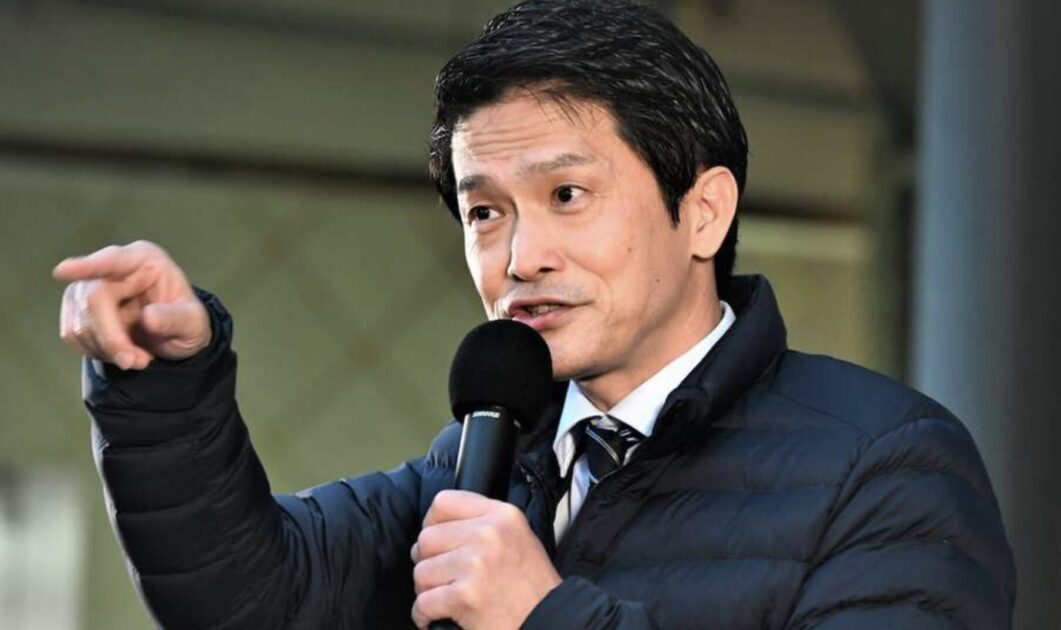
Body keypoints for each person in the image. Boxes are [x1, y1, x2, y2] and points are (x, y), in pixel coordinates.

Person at [53, 1, 1015, 628]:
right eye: (484, 212)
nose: (519, 258)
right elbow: (247, 600)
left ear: (703, 211)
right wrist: (162, 381)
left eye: (566, 195)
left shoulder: (886, 463)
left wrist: (545, 617)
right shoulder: (483, 460)